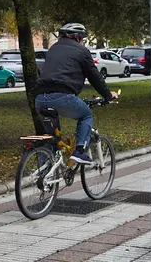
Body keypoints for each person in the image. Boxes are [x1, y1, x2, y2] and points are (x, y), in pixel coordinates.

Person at [35, 23, 118, 164]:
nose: (83, 42)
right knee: (86, 115)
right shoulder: (82, 51)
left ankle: (44, 172)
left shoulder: (53, 48)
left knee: (52, 137)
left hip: (40, 99)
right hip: (62, 97)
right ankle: (79, 151)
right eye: (83, 39)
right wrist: (108, 95)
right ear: (79, 38)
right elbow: (94, 76)